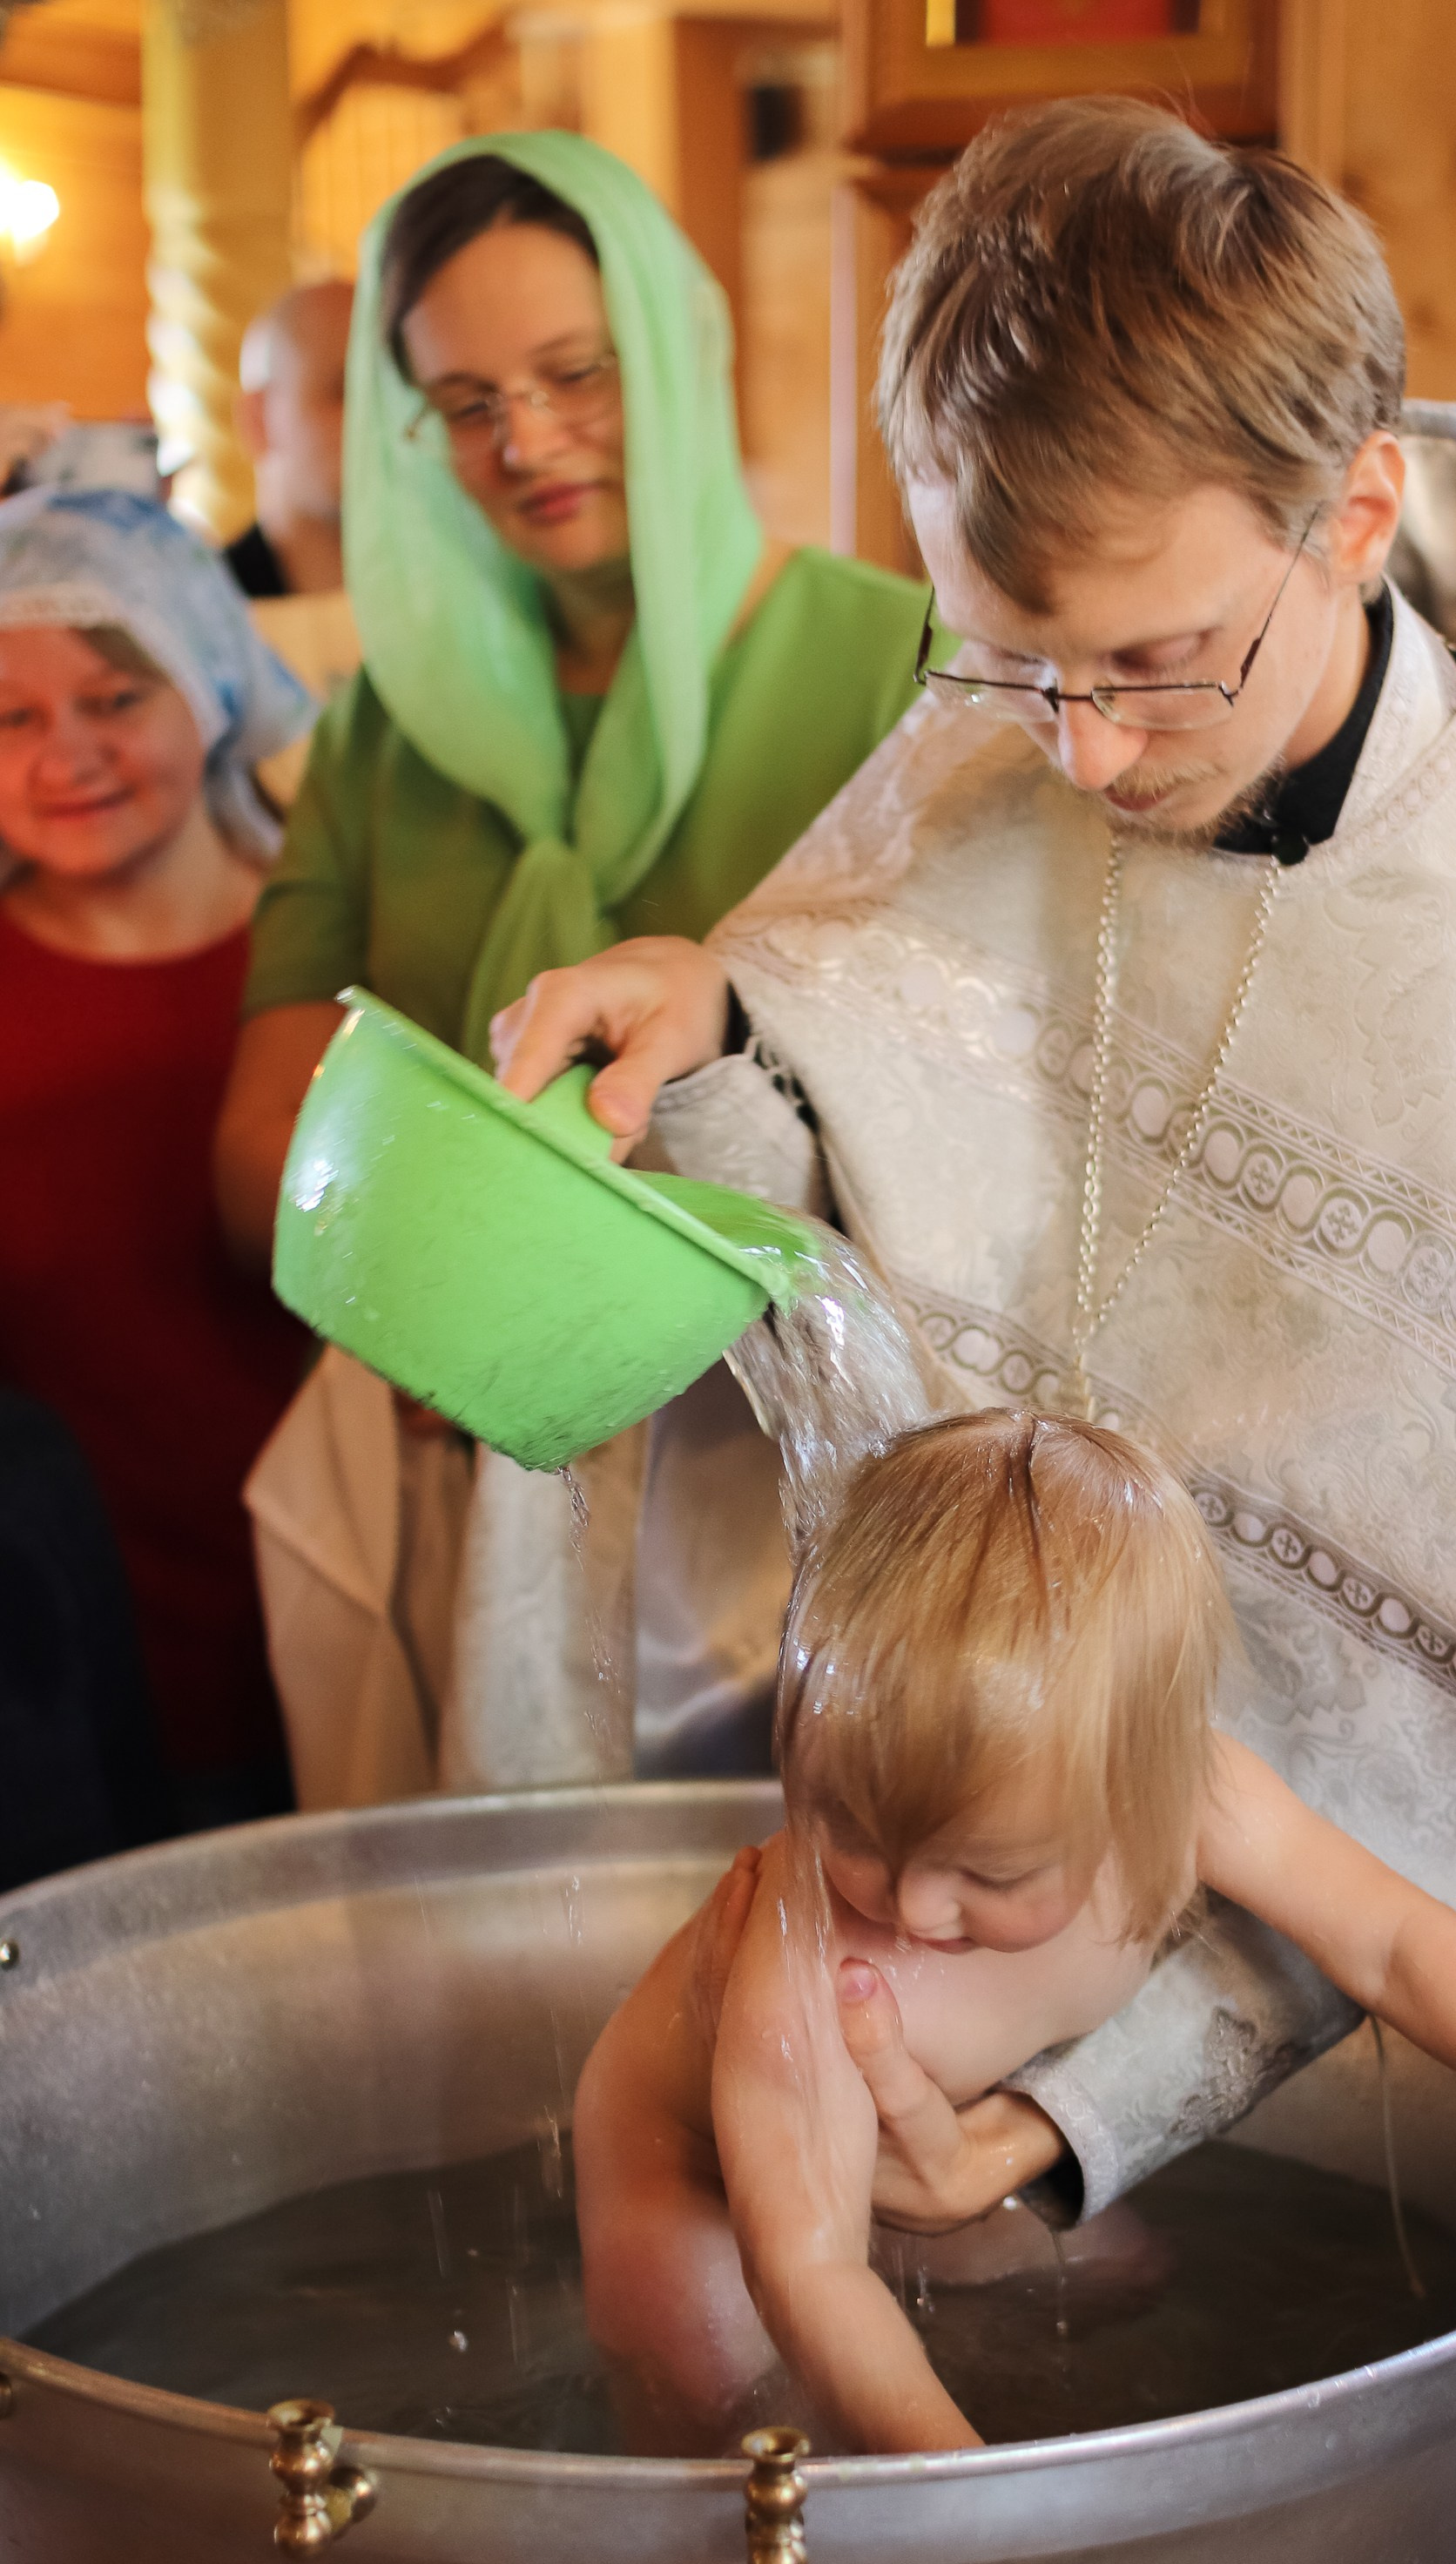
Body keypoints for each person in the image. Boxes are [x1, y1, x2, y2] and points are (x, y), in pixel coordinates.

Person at [494, 100, 1456, 2564]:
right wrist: (712, 1029)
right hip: (1008, 1774)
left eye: (1148, 662)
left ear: (1352, 512)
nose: (1083, 746)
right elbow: (842, 1096)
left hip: (1286, 1952)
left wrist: (1109, 2077)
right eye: (1011, 668)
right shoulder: (1037, 715)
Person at [577, 1409, 1456, 2455]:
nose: (913, 1909)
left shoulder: (1196, 1796)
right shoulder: (798, 1976)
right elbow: (811, 2270)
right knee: (730, 2423)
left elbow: (1392, 1945)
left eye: (991, 1871)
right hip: (687, 2176)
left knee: (1127, 2282)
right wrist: (984, 2492)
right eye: (849, 1829)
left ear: (1138, 1789)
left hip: (900, 2154)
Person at [217, 132, 934, 1805]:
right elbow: (258, 1140)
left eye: (573, 375)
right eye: (462, 405)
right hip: (455, 1475)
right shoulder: (388, 724)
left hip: (774, 1545)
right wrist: (437, 1310)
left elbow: (972, 1127)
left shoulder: (898, 664)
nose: (525, 441)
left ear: (681, 359)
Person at [0, 489, 313, 1832]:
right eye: (9, 717)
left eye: (115, 698)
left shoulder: (333, 959)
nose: (64, 753)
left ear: (211, 683)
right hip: (52, 1684)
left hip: (327, 1627)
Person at [225, 281, 353, 600]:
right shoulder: (199, 614)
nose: (378, 422)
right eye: (345, 390)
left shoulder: (447, 598)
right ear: (259, 419)